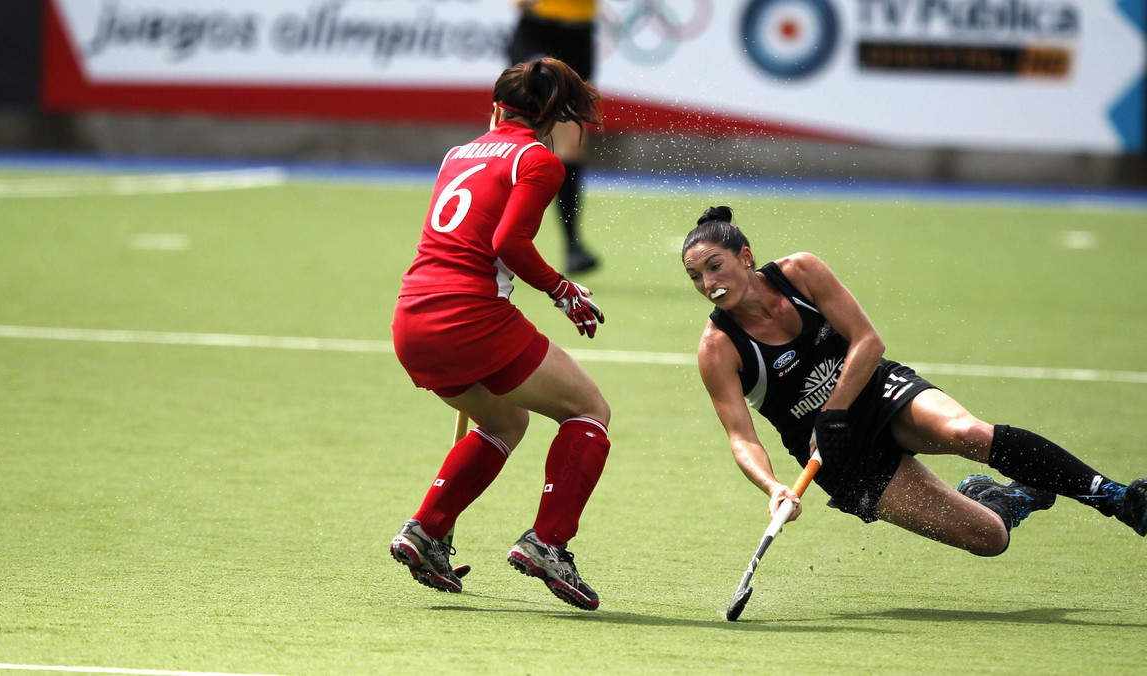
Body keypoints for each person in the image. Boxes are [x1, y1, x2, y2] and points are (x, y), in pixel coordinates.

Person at [681, 205, 1146, 558]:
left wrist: (835, 410)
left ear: (745, 257)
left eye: (715, 266)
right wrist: (773, 486)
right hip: (836, 456)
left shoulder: (800, 273)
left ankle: (1117, 498)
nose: (708, 283)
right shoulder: (717, 348)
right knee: (989, 538)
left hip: (874, 392)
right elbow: (742, 438)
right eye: (695, 276)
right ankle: (1003, 498)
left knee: (966, 432)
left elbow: (867, 341)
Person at [388, 58, 610, 611]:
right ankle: (548, 542)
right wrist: (565, 291)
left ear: (495, 107)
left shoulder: (456, 154)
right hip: (470, 316)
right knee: (588, 411)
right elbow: (510, 243)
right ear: (554, 118)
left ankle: (428, 530)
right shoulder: (538, 160)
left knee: (505, 421)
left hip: (412, 316)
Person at [508, 0, 601, 274]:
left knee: (570, 145)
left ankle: (572, 246)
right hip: (539, 30)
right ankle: (493, 242)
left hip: (579, 34)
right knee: (520, 136)